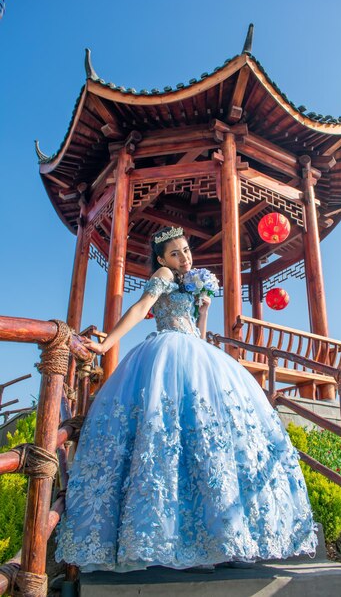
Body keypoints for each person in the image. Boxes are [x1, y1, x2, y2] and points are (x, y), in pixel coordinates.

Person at [56, 226, 317, 573]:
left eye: (186, 250)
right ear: (162, 259)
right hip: (167, 351)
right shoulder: (163, 275)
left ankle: (210, 535)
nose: (184, 258)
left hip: (196, 352)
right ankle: (181, 536)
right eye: (175, 253)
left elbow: (200, 333)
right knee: (171, 435)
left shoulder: (191, 283)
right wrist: (104, 346)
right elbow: (141, 307)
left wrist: (204, 306)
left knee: (203, 439)